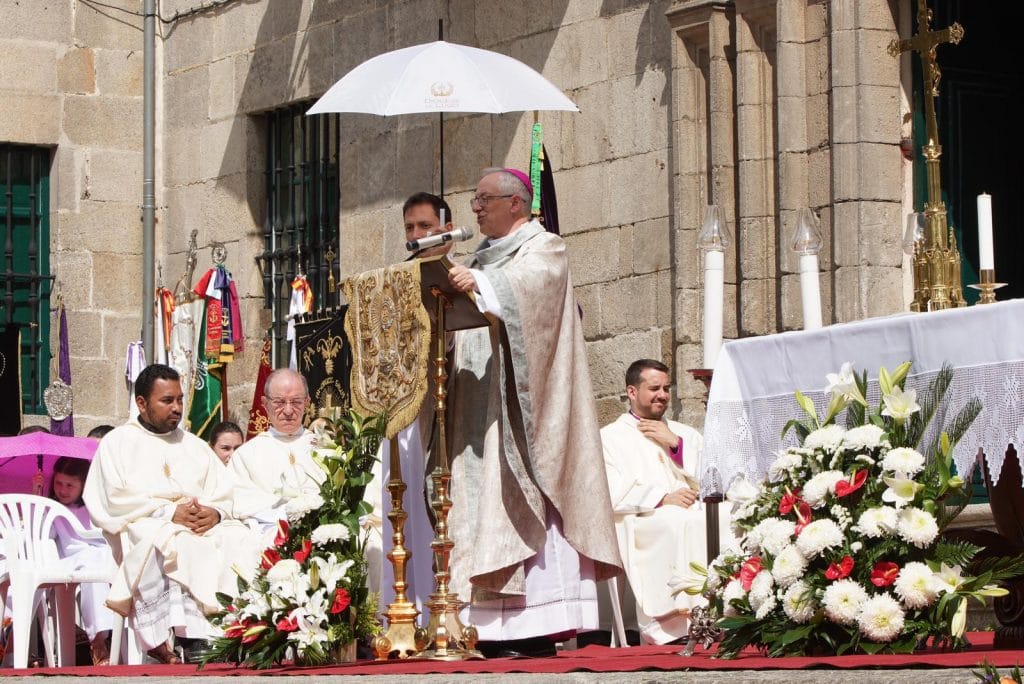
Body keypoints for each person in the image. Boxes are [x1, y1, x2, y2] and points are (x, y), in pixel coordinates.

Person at [445, 168, 622, 656]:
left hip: (527, 412)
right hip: (481, 409)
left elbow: (532, 291)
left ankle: (539, 623)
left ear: (516, 204)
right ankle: (490, 629)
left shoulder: (544, 247)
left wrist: (478, 281)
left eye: (484, 199)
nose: (475, 208)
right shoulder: (481, 256)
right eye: (475, 199)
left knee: (527, 499)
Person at [82, 364, 266, 664]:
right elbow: (111, 501)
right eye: (167, 401)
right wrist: (168, 512)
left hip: (198, 523)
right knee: (179, 540)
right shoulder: (117, 444)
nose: (177, 408)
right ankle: (192, 637)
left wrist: (216, 513)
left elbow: (227, 493)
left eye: (180, 399)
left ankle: (238, 632)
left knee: (240, 538)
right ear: (141, 403)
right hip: (145, 527)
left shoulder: (194, 445)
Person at [599, 359, 730, 645]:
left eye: (666, 388)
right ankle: (674, 626)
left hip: (690, 512)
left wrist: (675, 445)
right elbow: (607, 490)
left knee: (726, 516)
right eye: (654, 388)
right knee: (677, 522)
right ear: (632, 392)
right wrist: (661, 498)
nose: (662, 395)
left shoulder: (684, 433)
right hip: (644, 517)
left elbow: (714, 475)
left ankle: (727, 617)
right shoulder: (610, 438)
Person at [229, 369, 324, 522]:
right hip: (268, 536)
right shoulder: (246, 455)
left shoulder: (325, 449)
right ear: (265, 404)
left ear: (307, 402)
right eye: (279, 402)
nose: (288, 410)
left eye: (296, 402)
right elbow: (239, 503)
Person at [48, 457, 117, 665]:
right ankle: (98, 641)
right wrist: (37, 493)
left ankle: (117, 638)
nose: (63, 490)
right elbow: (43, 535)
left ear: (83, 486)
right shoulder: (50, 508)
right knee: (92, 564)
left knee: (100, 561)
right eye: (58, 483)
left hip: (101, 557)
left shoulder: (94, 508)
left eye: (70, 485)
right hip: (68, 562)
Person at [404, 191, 454, 259]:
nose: (415, 236)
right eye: (409, 228)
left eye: (425, 226)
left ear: (448, 230)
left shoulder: (467, 269)